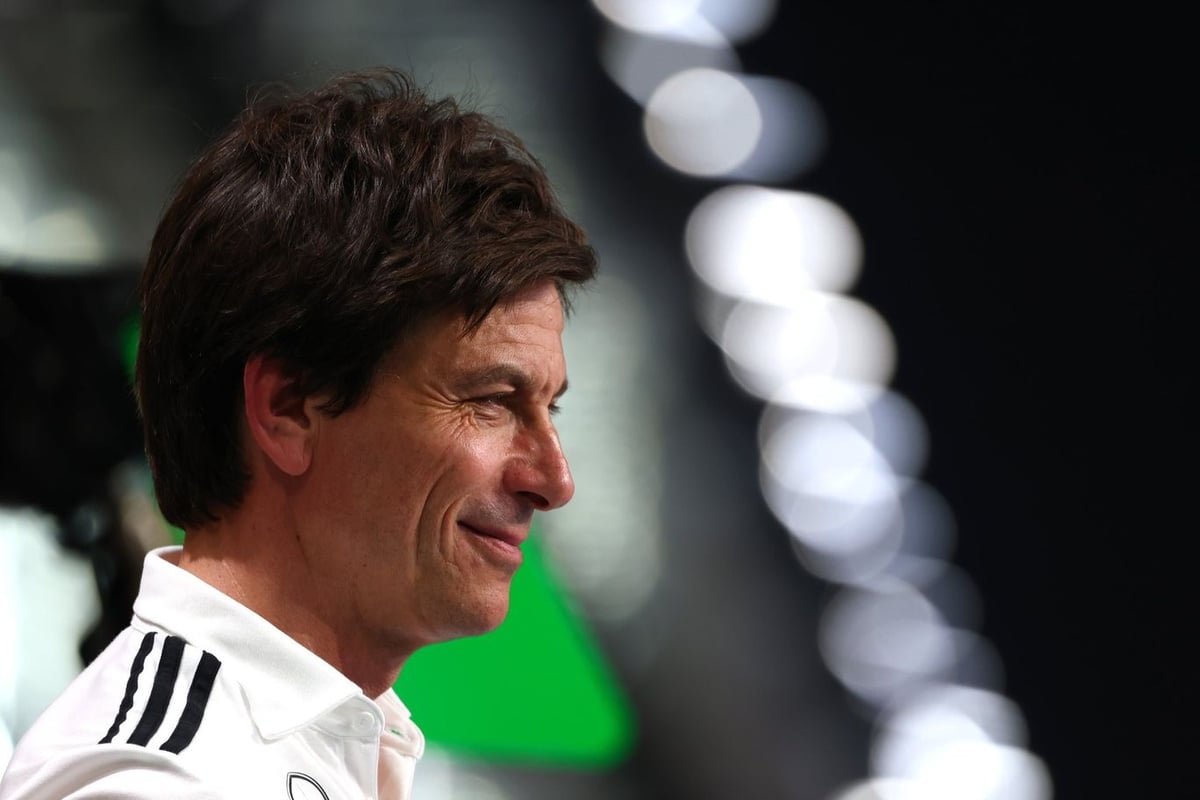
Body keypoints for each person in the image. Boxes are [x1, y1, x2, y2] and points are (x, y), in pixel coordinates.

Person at [0, 67, 596, 800]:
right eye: (492, 401)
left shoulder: (320, 748)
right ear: (287, 406)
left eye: (548, 409)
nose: (553, 480)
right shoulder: (162, 782)